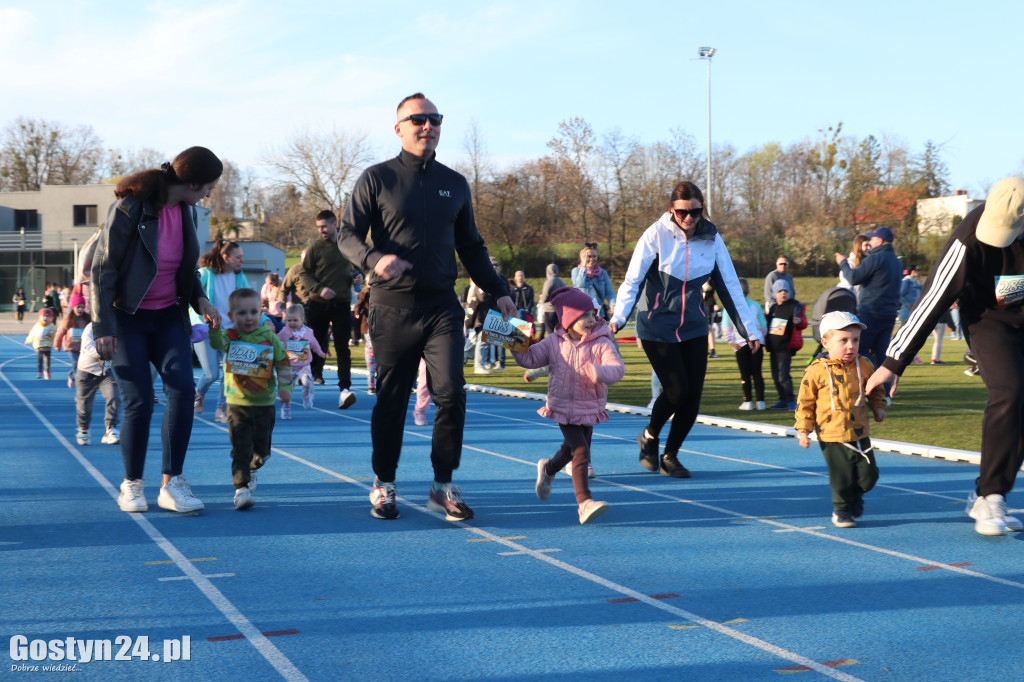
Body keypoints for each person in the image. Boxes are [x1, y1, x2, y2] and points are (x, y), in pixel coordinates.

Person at [337, 92, 515, 521]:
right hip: (391, 306)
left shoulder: (454, 183)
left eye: (434, 118)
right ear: (398, 128)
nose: (427, 125)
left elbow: (471, 245)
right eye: (417, 119)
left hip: (441, 306)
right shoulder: (376, 179)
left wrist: (499, 288)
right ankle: (384, 482)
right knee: (393, 399)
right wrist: (375, 258)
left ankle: (442, 485)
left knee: (451, 393)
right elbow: (346, 234)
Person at [866, 176, 1024, 536]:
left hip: (1017, 304)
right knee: (1010, 391)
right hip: (988, 318)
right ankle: (992, 496)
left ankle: (986, 491)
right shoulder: (969, 237)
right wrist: (894, 362)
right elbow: (933, 298)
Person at [90, 146, 222, 514]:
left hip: (167, 316)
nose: (210, 192)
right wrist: (103, 326)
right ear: (192, 182)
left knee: (182, 389)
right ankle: (132, 484)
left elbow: (186, 270)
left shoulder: (187, 212)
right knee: (140, 400)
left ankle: (171, 484)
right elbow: (103, 270)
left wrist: (202, 301)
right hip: (127, 318)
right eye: (209, 186)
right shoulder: (130, 208)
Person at [609, 180, 763, 477]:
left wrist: (750, 331)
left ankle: (671, 455)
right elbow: (632, 281)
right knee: (677, 391)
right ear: (671, 209)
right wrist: (618, 318)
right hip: (657, 326)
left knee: (693, 397)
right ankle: (650, 435)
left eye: (695, 212)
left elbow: (729, 285)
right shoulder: (655, 235)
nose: (689, 219)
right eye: (682, 212)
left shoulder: (711, 238)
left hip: (693, 326)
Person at [514, 287, 624, 524]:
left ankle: (548, 470)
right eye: (584, 315)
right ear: (569, 319)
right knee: (581, 451)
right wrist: (513, 338)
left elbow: (618, 369)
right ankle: (584, 503)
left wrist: (599, 372)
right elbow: (529, 359)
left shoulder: (601, 342)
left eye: (593, 314)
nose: (591, 320)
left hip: (590, 407)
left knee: (568, 450)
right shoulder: (553, 342)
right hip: (563, 407)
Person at [795, 312, 886, 528]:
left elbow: (875, 389)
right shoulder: (816, 371)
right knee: (841, 477)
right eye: (843, 340)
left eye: (855, 340)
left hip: (860, 432)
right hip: (831, 434)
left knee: (869, 476)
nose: (850, 346)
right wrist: (803, 430)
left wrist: (878, 407)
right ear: (825, 342)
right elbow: (805, 402)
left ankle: (855, 495)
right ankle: (842, 509)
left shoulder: (863, 364)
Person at [208, 288, 292, 510]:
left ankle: (253, 466)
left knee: (262, 451)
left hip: (264, 404)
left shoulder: (269, 338)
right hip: (237, 404)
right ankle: (241, 488)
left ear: (261, 312)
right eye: (242, 313)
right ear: (232, 316)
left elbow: (283, 362)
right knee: (240, 447)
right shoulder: (231, 336)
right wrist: (214, 330)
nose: (249, 318)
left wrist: (285, 387)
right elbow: (217, 345)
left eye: (253, 312)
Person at [299, 210, 359, 408]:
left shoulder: (347, 244)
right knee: (316, 344)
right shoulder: (315, 248)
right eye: (318, 227)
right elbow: (304, 274)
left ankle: (345, 389)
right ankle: (310, 376)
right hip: (318, 303)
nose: (321, 230)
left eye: (324, 226)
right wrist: (319, 289)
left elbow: (359, 266)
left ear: (335, 225)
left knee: (342, 347)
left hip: (341, 303)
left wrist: (357, 275)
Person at [835, 226, 902, 378]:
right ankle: (883, 391)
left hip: (870, 312)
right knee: (882, 354)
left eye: (872, 239)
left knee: (861, 351)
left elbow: (853, 278)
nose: (870, 242)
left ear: (880, 241)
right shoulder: (897, 262)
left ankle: (863, 388)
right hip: (889, 314)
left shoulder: (874, 259)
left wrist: (843, 263)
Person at [192, 240, 247, 422]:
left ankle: (221, 409)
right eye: (238, 257)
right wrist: (198, 321)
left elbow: (250, 301)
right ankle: (199, 393)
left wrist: (264, 321)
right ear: (226, 257)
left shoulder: (240, 277)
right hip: (206, 329)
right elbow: (191, 297)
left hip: (231, 331)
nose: (242, 261)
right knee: (211, 374)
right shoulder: (205, 274)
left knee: (230, 372)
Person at [721, 278, 767, 411]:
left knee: (745, 374)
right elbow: (764, 326)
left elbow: (726, 326)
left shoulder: (729, 307)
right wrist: (761, 338)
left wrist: (731, 341)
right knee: (757, 372)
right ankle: (761, 401)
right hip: (757, 342)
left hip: (740, 343)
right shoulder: (756, 305)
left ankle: (748, 401)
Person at [74, 322, 121, 447]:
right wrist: (105, 355)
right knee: (84, 405)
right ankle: (83, 430)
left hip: (106, 371)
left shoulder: (117, 326)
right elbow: (87, 348)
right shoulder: (91, 328)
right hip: (86, 372)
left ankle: (110, 429)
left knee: (114, 397)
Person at [276, 303, 326, 417]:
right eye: (289, 320)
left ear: (302, 319)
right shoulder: (285, 331)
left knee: (307, 381)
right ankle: (286, 407)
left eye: (295, 320)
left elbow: (314, 343)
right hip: (288, 366)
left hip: (304, 365)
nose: (292, 323)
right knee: (287, 389)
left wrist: (320, 352)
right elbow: (276, 339)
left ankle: (306, 394)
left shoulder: (308, 332)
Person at [766, 279, 807, 410]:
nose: (783, 293)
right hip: (773, 347)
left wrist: (799, 320)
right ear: (774, 294)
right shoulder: (773, 308)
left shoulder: (794, 306)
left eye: (785, 291)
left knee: (783, 375)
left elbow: (804, 323)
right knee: (775, 376)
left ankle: (790, 400)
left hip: (786, 347)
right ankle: (782, 399)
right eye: (780, 291)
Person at [54, 294, 90, 388]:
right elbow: (60, 332)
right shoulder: (68, 320)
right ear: (73, 307)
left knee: (82, 365)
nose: (80, 309)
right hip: (71, 347)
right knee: (76, 364)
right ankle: (80, 383)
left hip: (83, 348)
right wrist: (57, 344)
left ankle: (72, 375)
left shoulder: (86, 319)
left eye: (82, 307)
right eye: (78, 307)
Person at [571, 245, 616, 318]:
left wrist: (613, 305)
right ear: (582, 257)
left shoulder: (602, 273)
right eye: (589, 256)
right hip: (583, 315)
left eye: (594, 256)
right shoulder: (576, 271)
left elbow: (609, 292)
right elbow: (579, 284)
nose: (592, 259)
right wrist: (583, 266)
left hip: (600, 314)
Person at [353, 284, 375, 395]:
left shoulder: (384, 291)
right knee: (371, 357)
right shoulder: (365, 293)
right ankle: (371, 386)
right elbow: (359, 305)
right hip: (369, 327)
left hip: (383, 328)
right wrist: (357, 313)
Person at [24, 308, 56, 379]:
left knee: (47, 360)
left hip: (48, 346)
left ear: (51, 318)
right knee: (40, 359)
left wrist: (57, 343)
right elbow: (32, 334)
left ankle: (47, 371)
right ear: (40, 317)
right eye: (43, 316)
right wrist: (28, 340)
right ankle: (39, 371)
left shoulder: (52, 326)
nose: (45, 318)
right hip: (39, 346)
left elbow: (56, 335)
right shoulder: (37, 326)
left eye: (47, 316)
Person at [537, 264, 565, 341]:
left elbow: (545, 296)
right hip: (559, 310)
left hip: (549, 310)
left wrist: (542, 301)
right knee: (558, 332)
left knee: (551, 333)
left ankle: (553, 350)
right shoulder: (562, 282)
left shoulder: (549, 282)